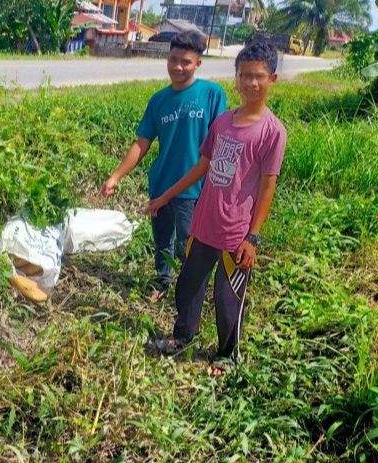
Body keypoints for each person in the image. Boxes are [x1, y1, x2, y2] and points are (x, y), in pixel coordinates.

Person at [145, 42, 287, 376]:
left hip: (236, 233)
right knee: (188, 286)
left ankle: (226, 355)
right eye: (245, 76)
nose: (251, 83)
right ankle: (183, 337)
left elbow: (268, 186)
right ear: (235, 79)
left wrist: (253, 237)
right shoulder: (223, 122)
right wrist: (167, 196)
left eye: (259, 77)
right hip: (204, 223)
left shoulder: (272, 132)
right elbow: (201, 167)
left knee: (227, 299)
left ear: (272, 80)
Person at [99, 30, 227, 301]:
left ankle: (191, 293)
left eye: (186, 62)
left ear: (198, 64)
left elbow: (220, 143)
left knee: (187, 246)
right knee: (162, 242)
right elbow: (141, 144)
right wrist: (115, 177)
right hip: (160, 184)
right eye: (173, 59)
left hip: (193, 188)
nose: (178, 67)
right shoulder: (158, 100)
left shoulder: (212, 94)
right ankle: (162, 283)